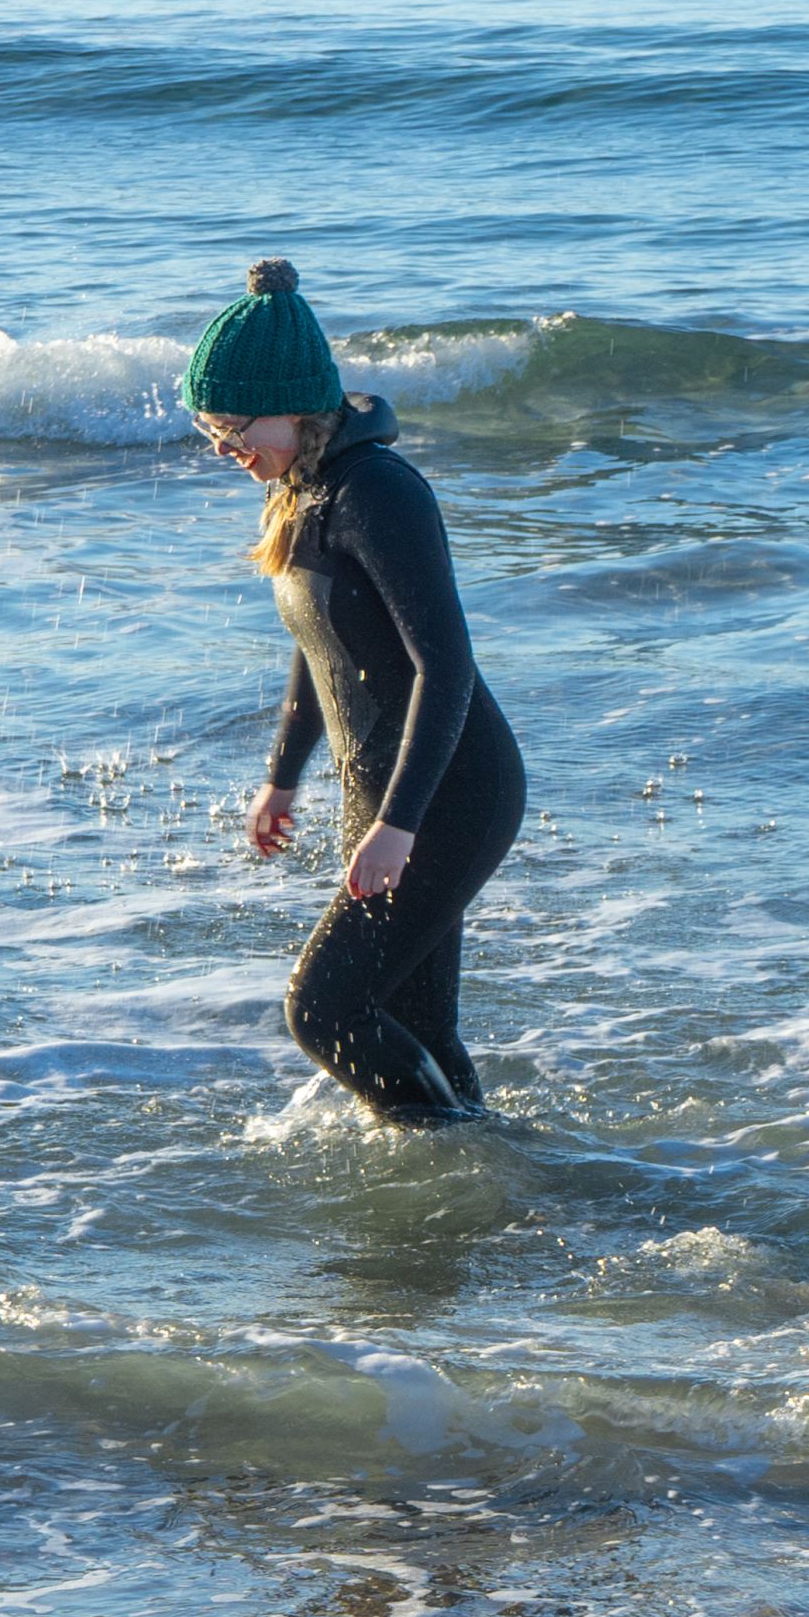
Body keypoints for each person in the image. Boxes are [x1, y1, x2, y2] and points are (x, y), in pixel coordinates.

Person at [183, 258, 525, 1119]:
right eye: (210, 431)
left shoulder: (377, 493)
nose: (227, 450)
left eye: (234, 427)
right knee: (415, 1022)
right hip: (381, 791)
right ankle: (471, 1193)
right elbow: (321, 645)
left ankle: (460, 1164)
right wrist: (283, 774)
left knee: (323, 1011)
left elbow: (445, 666)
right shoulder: (303, 490)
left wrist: (398, 825)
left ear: (296, 405)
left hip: (450, 791)